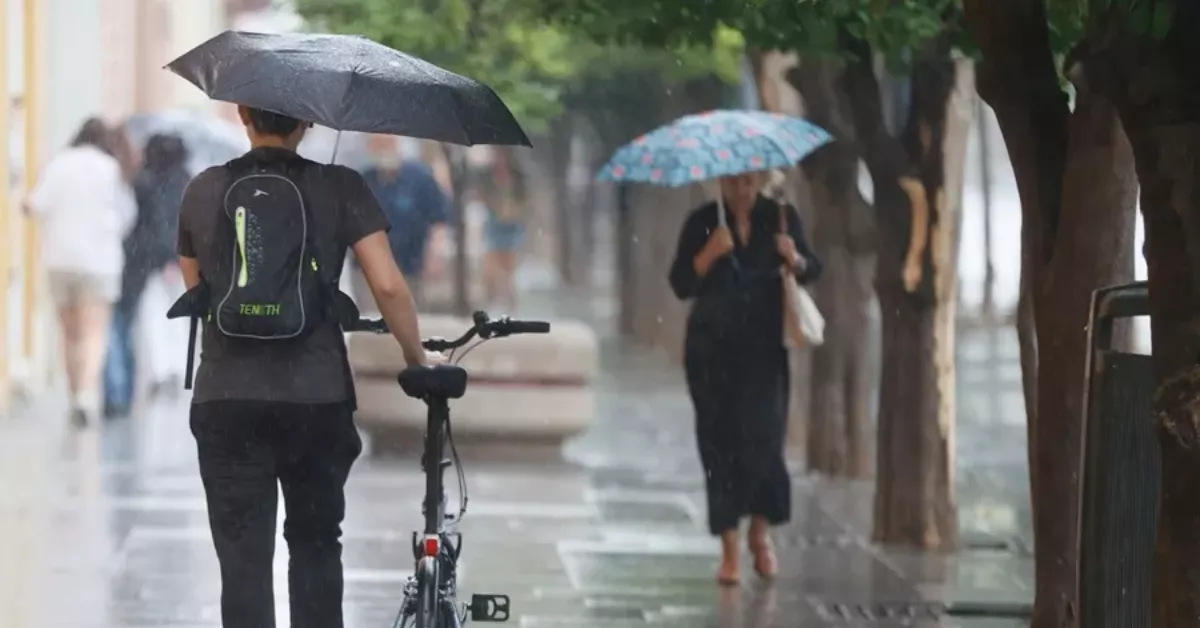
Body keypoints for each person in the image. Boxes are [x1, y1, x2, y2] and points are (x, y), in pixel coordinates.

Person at [176, 106, 431, 628]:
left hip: (227, 396)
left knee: (242, 558)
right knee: (315, 546)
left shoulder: (203, 189)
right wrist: (416, 356)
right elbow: (386, 284)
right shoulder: (341, 186)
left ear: (243, 114)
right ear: (307, 123)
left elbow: (195, 285)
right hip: (315, 398)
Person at [667, 170, 822, 585]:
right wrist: (709, 255)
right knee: (718, 448)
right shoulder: (703, 221)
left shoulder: (781, 218)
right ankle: (730, 549)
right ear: (720, 182)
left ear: (761, 181)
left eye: (750, 183)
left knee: (765, 444)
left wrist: (795, 257)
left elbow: (812, 269)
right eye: (734, 183)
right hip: (710, 354)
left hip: (764, 354)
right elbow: (681, 282)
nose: (742, 192)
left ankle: (760, 532)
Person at [25, 118, 136, 426]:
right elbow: (128, 215)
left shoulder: (59, 164)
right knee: (93, 332)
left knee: (69, 333)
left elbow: (34, 204)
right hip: (99, 262)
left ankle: (75, 394)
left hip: (60, 259)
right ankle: (87, 395)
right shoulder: (110, 169)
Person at [104, 134, 191, 418]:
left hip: (151, 260)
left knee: (155, 316)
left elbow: (146, 222)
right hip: (183, 258)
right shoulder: (188, 181)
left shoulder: (146, 182)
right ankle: (177, 368)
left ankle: (162, 369)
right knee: (179, 317)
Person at [353, 134, 450, 311]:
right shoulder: (363, 180)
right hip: (369, 269)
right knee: (372, 321)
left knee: (408, 316)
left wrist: (436, 254)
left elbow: (439, 220)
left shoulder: (421, 178)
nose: (383, 149)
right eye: (377, 144)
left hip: (410, 265)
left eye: (387, 143)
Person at [479, 148, 526, 310]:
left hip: (512, 227)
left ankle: (511, 305)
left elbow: (525, 202)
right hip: (494, 226)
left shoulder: (517, 180)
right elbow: (482, 199)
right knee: (490, 269)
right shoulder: (488, 178)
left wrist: (514, 210)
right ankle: (492, 302)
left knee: (509, 270)